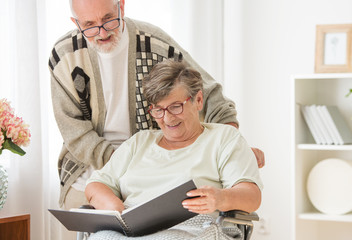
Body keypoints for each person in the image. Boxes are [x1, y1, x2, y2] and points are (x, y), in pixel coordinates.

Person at [49, 0, 264, 214]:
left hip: (154, 155)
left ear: (121, 6)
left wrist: (234, 149)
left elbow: (209, 94)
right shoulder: (64, 56)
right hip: (99, 165)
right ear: (76, 23)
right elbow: (74, 130)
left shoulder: (155, 43)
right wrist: (127, 168)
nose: (102, 32)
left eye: (108, 19)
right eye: (89, 25)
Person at [85, 59, 262, 239]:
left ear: (198, 100)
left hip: (193, 228)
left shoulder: (224, 138)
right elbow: (96, 184)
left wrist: (221, 198)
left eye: (176, 107)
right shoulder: (138, 143)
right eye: (158, 110)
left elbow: (252, 196)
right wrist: (115, 207)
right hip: (131, 229)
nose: (168, 118)